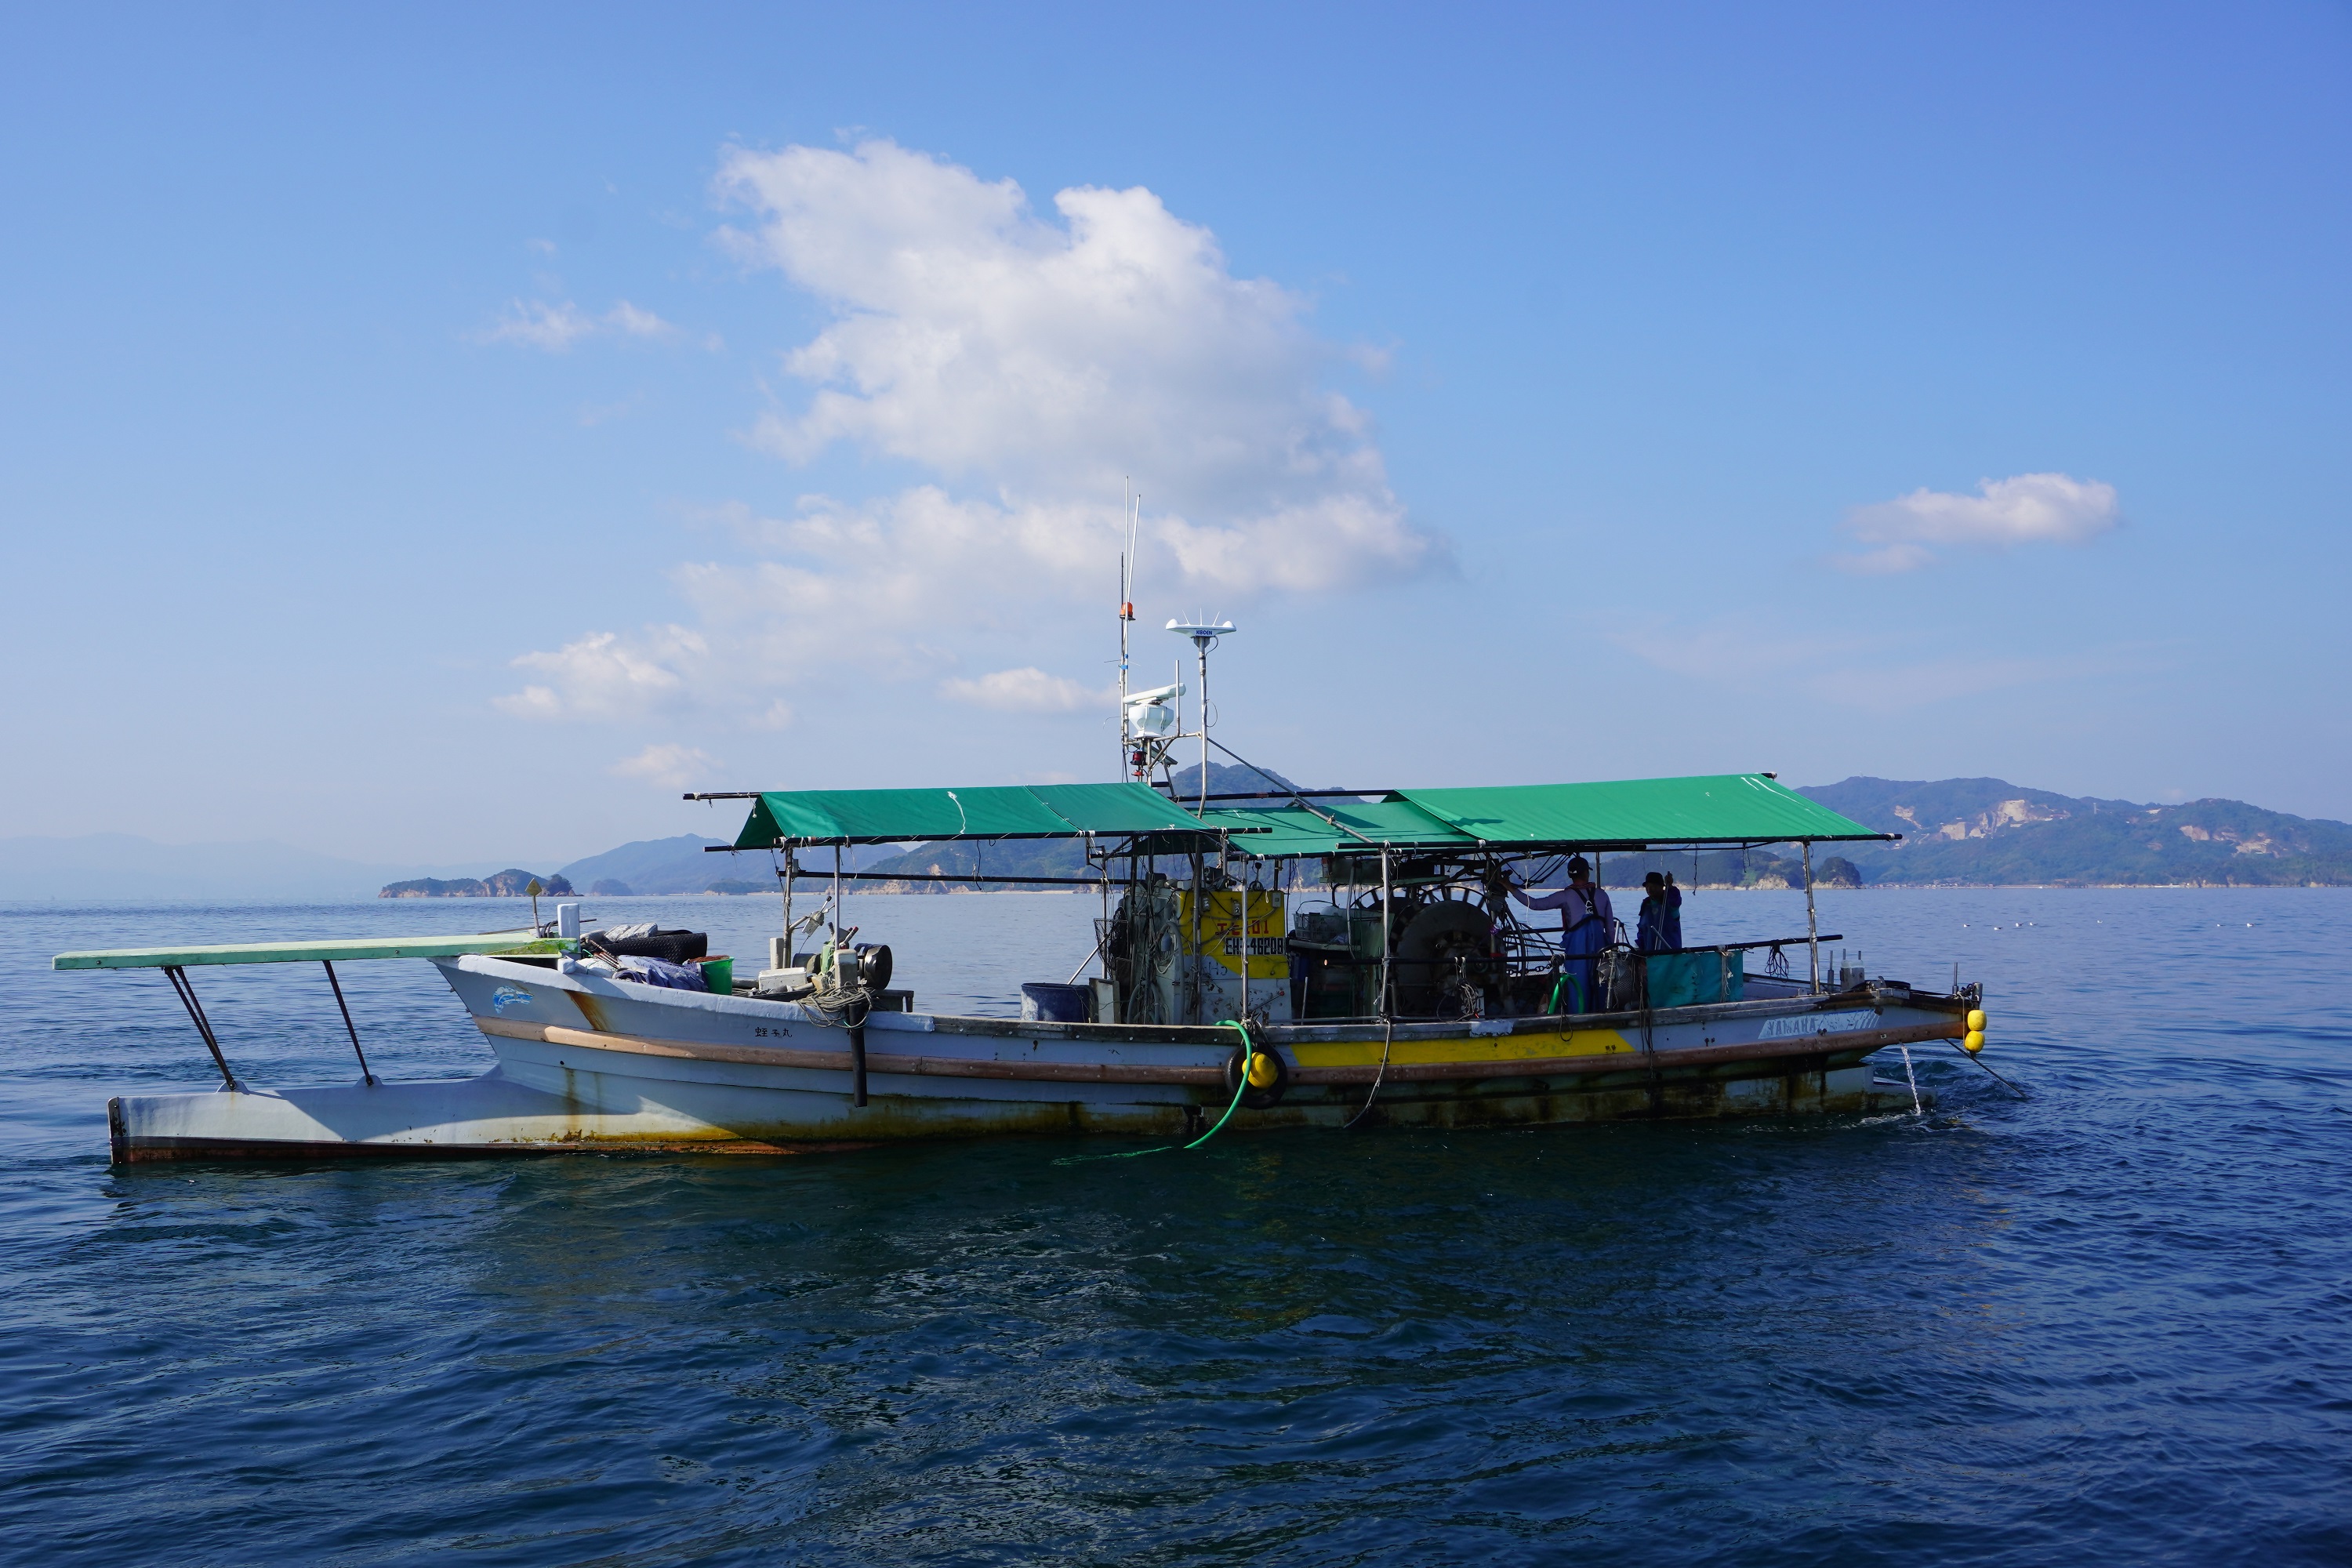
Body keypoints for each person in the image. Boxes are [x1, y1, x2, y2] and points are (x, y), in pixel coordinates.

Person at [1512, 855, 1614, 1012]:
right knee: (1601, 983)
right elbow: (1610, 929)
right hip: (1601, 950)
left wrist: (1510, 887)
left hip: (1577, 949)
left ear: (1570, 875)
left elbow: (1535, 904)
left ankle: (1578, 1018)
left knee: (1577, 985)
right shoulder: (1602, 895)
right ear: (1587, 873)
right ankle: (1603, 1014)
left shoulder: (1565, 896)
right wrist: (1612, 951)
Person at [1636, 870, 1682, 953]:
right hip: (1650, 955)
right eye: (1647, 886)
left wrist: (1671, 886)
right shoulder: (1646, 905)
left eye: (1653, 886)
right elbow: (1642, 930)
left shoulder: (1669, 902)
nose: (1649, 889)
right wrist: (1639, 950)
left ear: (1661, 887)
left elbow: (1676, 901)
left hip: (1671, 955)